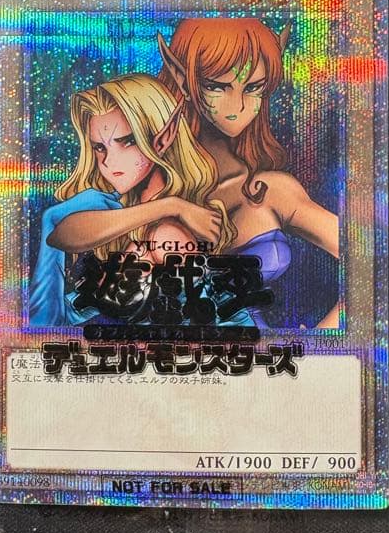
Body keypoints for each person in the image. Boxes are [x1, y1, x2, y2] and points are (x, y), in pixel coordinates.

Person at [157, 17, 340, 328]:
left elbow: (372, 261)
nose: (238, 105)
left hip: (258, 355)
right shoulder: (149, 184)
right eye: (217, 86)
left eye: (253, 87)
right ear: (183, 79)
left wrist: (323, 340)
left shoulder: (271, 189)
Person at [29, 73, 233, 326]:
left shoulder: (167, 235)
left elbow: (210, 318)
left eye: (127, 142)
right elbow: (61, 235)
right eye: (100, 147)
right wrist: (170, 205)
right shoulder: (109, 203)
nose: (108, 161)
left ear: (164, 137)